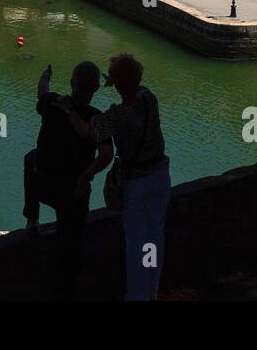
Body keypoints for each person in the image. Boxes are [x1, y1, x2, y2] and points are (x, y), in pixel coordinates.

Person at [63, 53, 170, 301]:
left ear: (115, 83)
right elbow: (134, 86)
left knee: (136, 244)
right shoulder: (148, 98)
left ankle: (136, 296)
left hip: (137, 184)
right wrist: (118, 79)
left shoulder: (113, 117)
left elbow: (86, 132)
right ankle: (152, 292)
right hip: (160, 177)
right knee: (154, 238)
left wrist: (70, 110)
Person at [24, 62, 102, 300]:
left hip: (44, 185)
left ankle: (32, 219)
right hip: (73, 193)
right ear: (96, 88)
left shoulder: (53, 103)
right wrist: (86, 177)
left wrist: (45, 75)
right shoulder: (97, 118)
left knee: (30, 158)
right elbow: (106, 155)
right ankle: (67, 288)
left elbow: (42, 91)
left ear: (71, 84)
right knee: (70, 246)